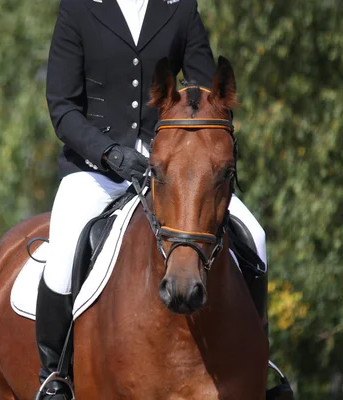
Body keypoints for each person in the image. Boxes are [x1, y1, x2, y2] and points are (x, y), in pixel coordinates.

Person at [36, 0, 268, 398]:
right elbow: (62, 106)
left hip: (173, 168)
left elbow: (204, 94)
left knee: (256, 237)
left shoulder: (180, 9)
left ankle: (261, 360)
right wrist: (109, 152)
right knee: (62, 258)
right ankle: (54, 377)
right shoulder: (78, 8)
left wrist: (193, 151)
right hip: (96, 171)